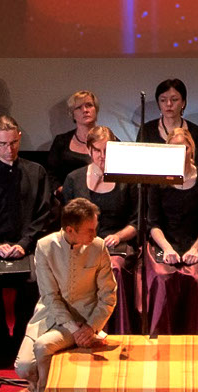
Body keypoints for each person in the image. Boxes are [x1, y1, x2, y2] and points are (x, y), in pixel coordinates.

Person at [0, 116, 54, 360]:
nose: (9, 149)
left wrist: (24, 244)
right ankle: (1, 332)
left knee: (33, 281)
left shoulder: (36, 172)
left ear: (19, 138)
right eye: (3, 144)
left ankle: (19, 333)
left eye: (13, 143)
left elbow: (44, 213)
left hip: (26, 245)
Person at [14, 198, 117, 392]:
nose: (95, 234)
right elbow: (49, 295)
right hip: (49, 316)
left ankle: (44, 389)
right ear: (70, 230)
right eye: (90, 230)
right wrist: (73, 329)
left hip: (84, 320)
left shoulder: (98, 247)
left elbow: (108, 295)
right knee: (24, 368)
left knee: (43, 346)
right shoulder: (45, 246)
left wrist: (90, 327)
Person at [61, 126, 139, 334]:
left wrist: (118, 236)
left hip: (117, 245)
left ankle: (116, 330)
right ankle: (81, 330)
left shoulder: (127, 178)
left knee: (112, 268)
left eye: (107, 150)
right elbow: (67, 222)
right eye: (98, 150)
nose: (103, 156)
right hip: (83, 244)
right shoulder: (74, 179)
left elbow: (137, 221)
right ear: (89, 150)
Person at [145, 128, 198, 335]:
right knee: (163, 278)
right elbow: (153, 224)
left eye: (184, 148)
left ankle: (194, 336)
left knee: (195, 278)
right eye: (174, 149)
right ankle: (161, 337)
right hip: (164, 242)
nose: (180, 153)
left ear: (191, 149)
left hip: (195, 242)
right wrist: (167, 248)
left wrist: (195, 249)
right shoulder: (158, 179)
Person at [47, 91, 102, 186]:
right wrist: (61, 190)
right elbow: (50, 174)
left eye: (89, 105)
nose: (85, 110)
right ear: (72, 114)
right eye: (79, 107)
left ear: (96, 110)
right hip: (68, 194)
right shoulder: (61, 141)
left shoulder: (110, 141)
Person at [137, 78, 198, 148]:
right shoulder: (146, 130)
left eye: (174, 99)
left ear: (183, 102)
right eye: (163, 100)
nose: (169, 104)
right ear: (158, 103)